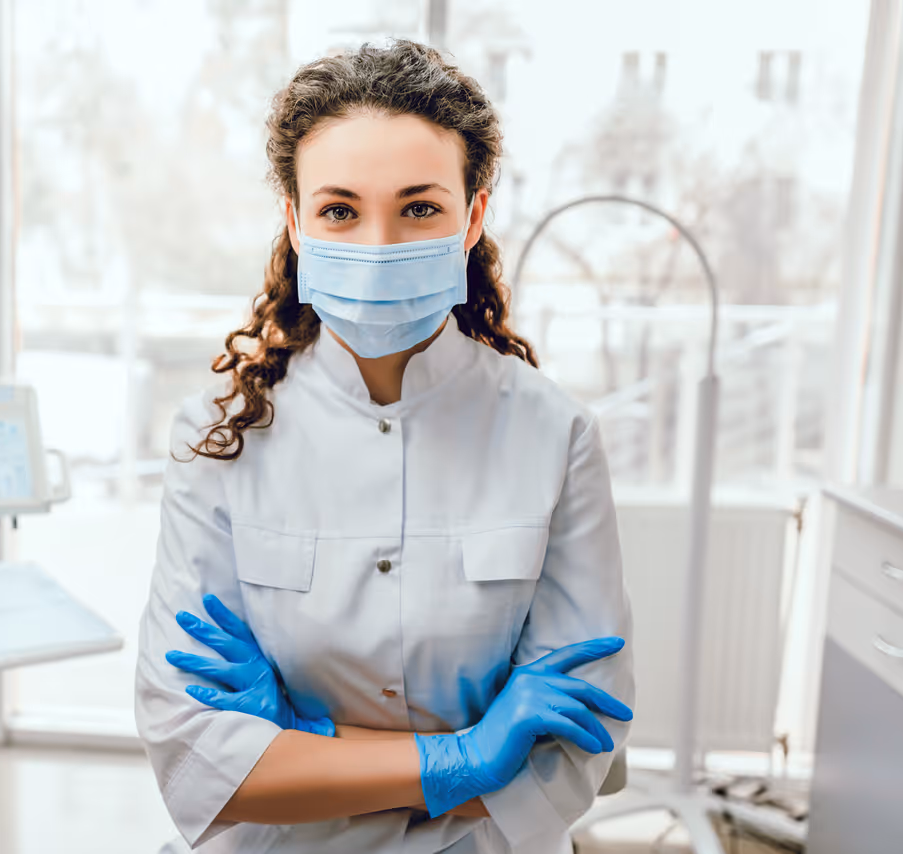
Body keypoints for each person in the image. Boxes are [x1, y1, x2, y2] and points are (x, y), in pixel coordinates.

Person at [134, 38, 635, 854]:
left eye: (419, 207)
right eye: (339, 209)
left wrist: (308, 745)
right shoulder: (216, 436)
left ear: (471, 219)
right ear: (296, 222)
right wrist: (467, 756)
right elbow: (194, 753)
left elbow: (575, 750)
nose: (377, 244)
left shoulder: (556, 435)